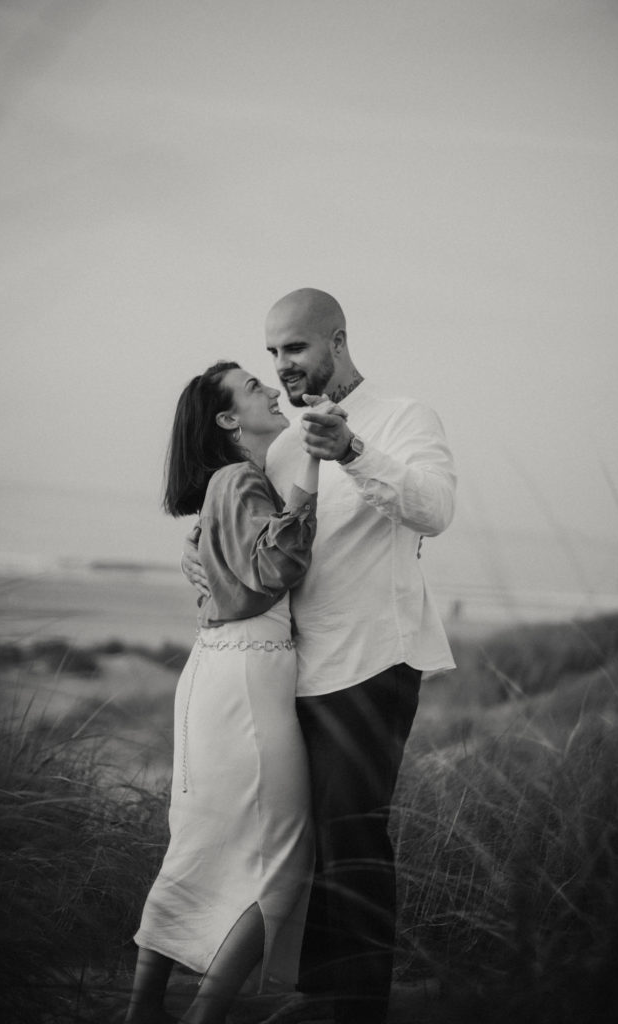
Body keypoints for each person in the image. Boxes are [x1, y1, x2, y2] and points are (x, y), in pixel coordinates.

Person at [183, 289, 457, 1024]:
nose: (283, 365)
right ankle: (316, 994)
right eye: (272, 353)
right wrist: (203, 563)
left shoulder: (403, 417)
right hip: (290, 671)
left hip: (374, 660)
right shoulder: (276, 446)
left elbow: (434, 510)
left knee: (352, 830)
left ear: (336, 340)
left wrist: (355, 452)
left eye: (295, 349)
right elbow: (264, 549)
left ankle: (355, 1004)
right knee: (293, 841)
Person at [125, 360, 328, 1024]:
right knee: (286, 850)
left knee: (201, 840)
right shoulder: (242, 478)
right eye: (252, 387)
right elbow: (273, 569)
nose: (271, 388)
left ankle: (144, 1007)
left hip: (217, 670)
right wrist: (311, 483)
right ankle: (203, 1014)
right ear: (227, 419)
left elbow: (232, 575)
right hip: (248, 674)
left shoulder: (227, 486)